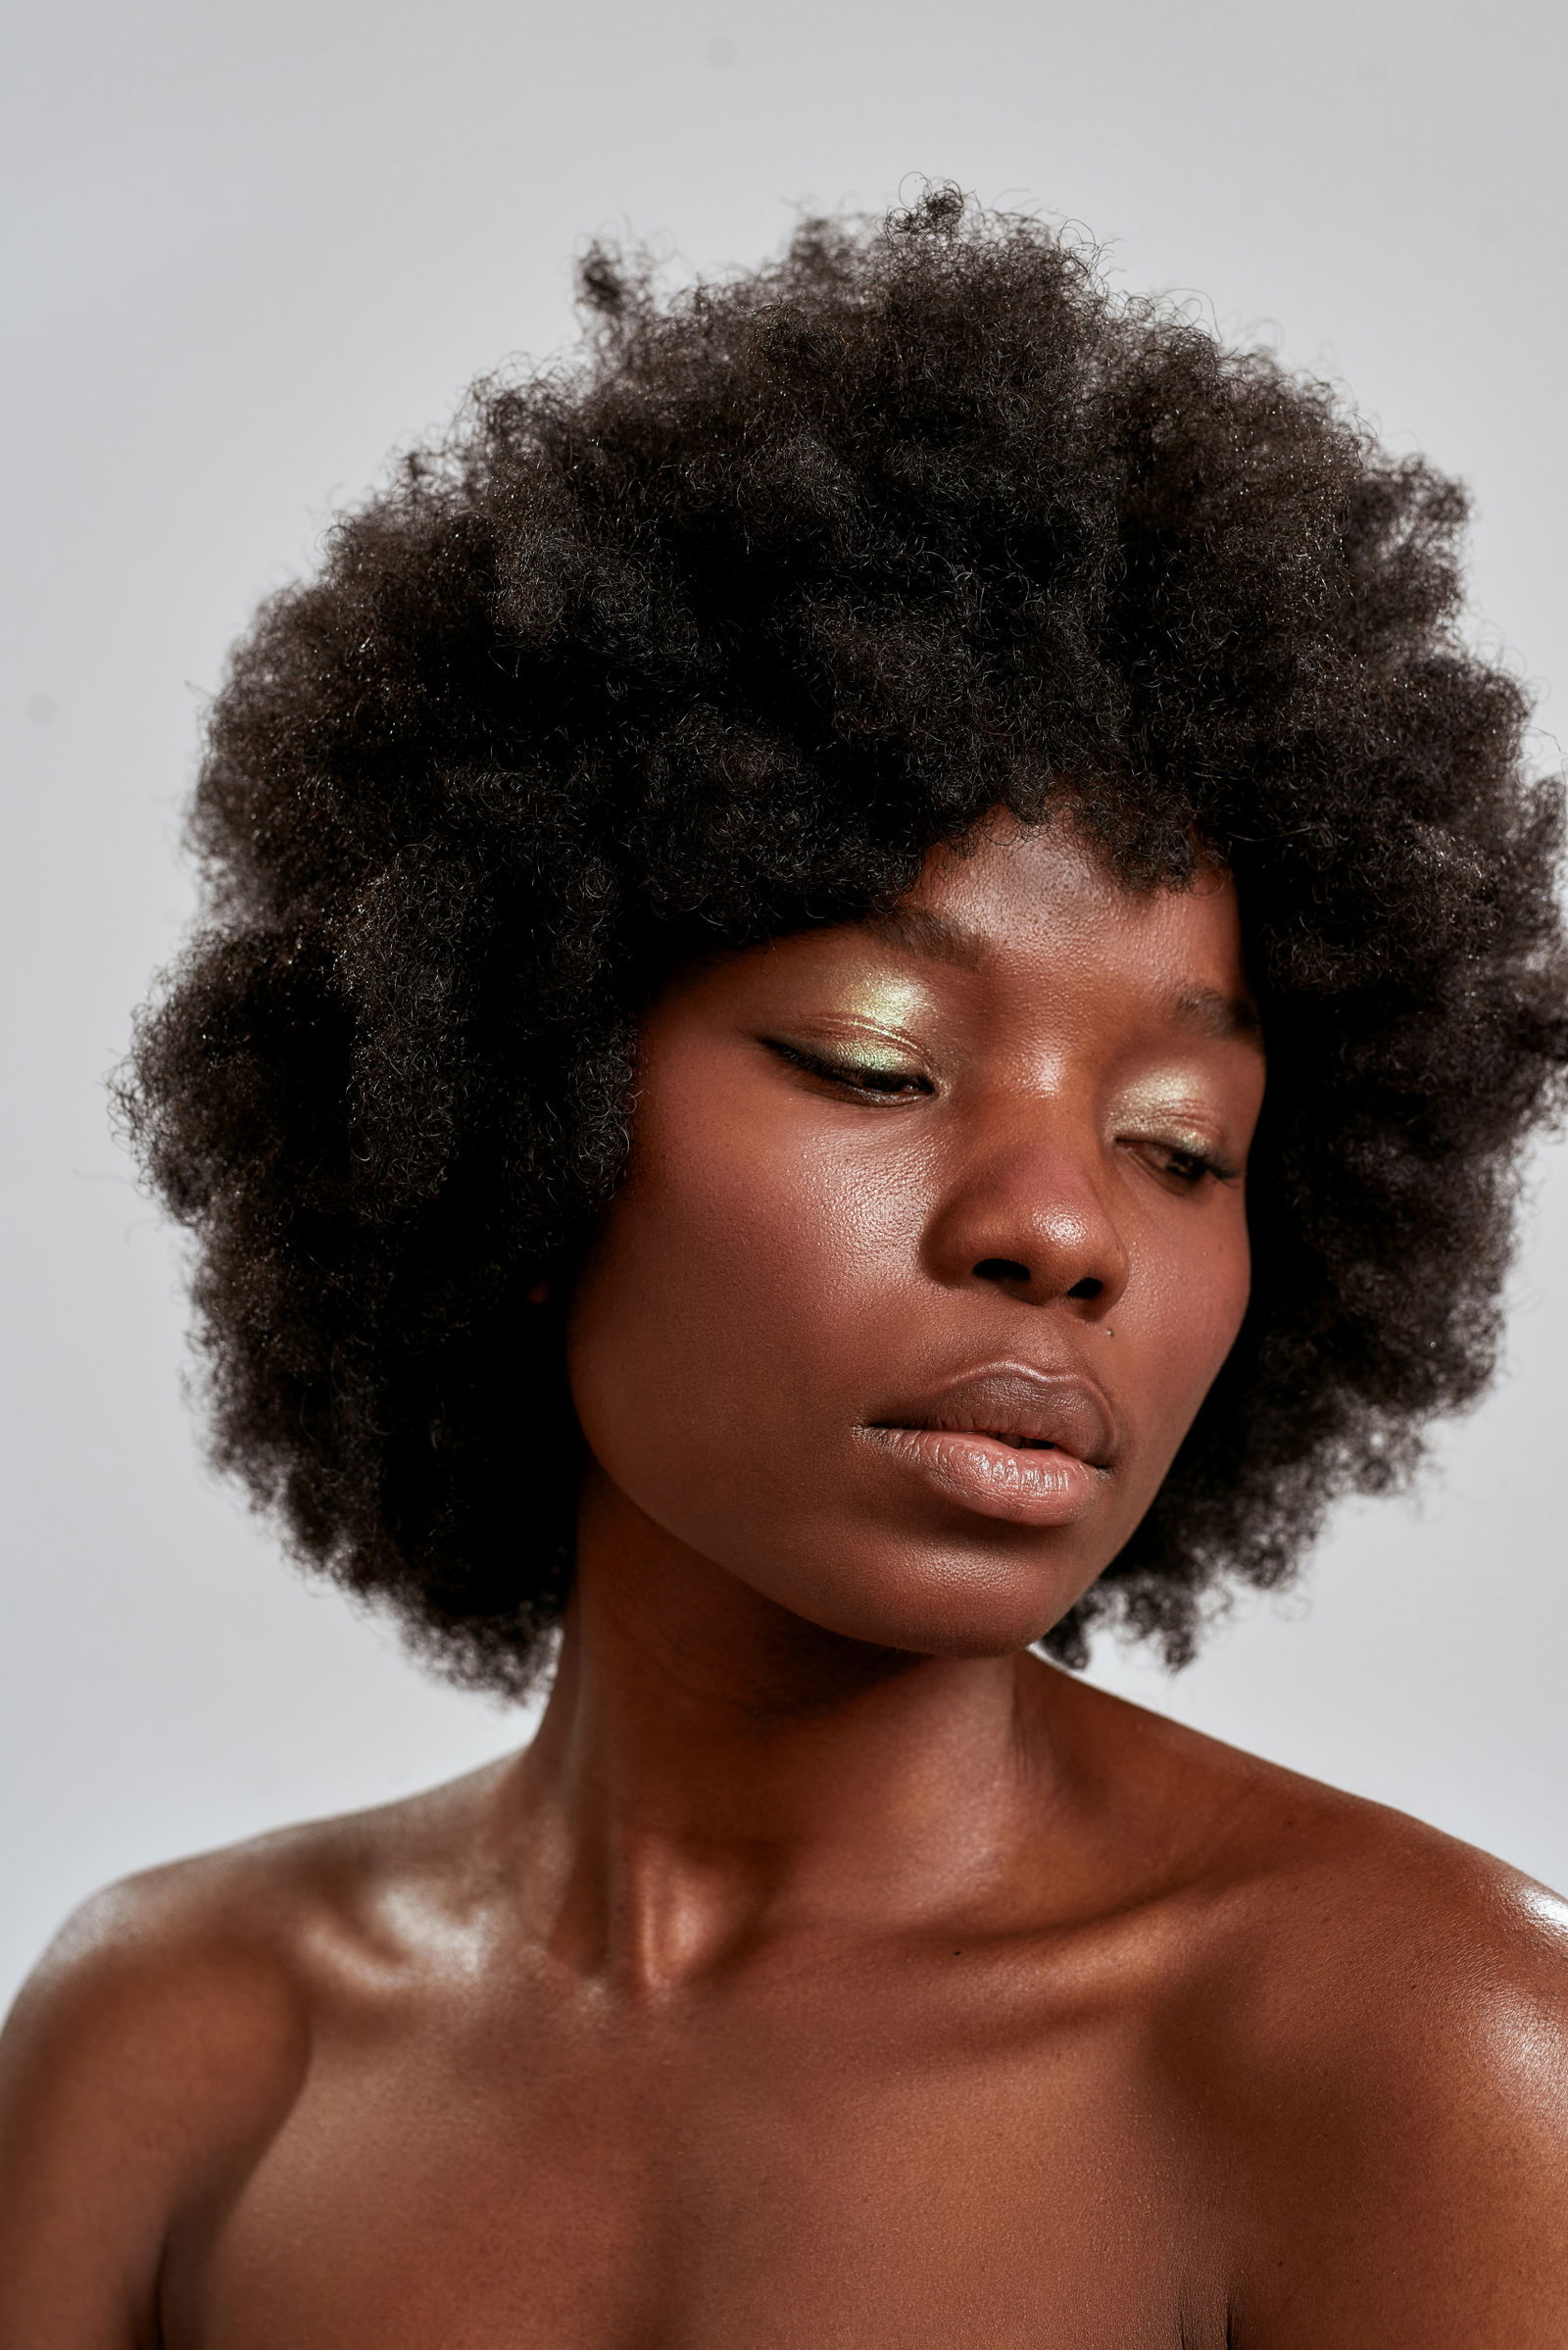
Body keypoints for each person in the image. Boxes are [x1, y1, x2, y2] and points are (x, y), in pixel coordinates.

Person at [2, 186, 1566, 2345]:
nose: (1054, 1227)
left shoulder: (1419, 2061)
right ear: (503, 1092)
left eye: (1176, 1144)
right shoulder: (173, 2049)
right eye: (872, 1059)